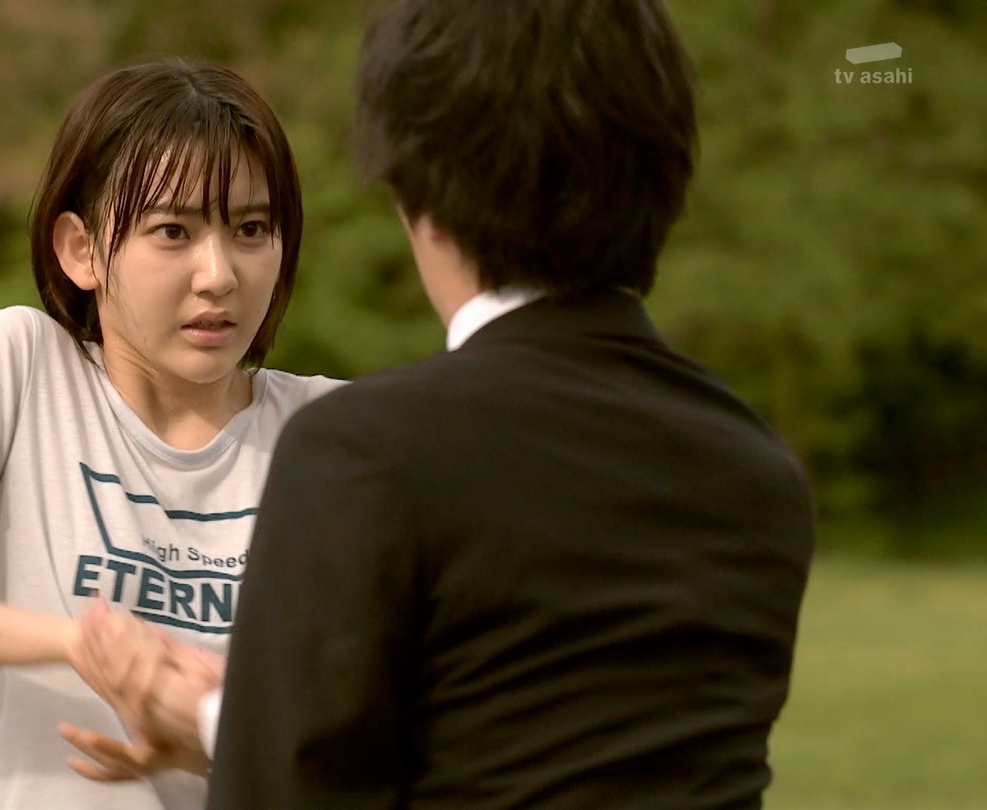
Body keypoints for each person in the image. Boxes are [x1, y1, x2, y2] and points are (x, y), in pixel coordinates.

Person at [63, 1, 817, 807]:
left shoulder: (366, 452)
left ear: (413, 186)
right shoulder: (758, 473)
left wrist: (228, 723)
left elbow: (306, 788)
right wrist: (231, 721)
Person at [0, 58, 343, 810]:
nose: (218, 275)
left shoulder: (333, 432)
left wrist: (218, 727)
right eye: (172, 231)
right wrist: (81, 645)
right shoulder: (22, 368)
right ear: (80, 250)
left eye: (251, 229)